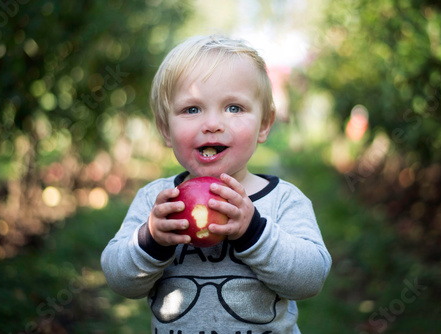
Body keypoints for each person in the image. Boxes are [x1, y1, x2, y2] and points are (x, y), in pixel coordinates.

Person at [101, 34, 331, 333]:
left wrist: (253, 232)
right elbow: (120, 281)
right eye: (192, 109)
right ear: (165, 129)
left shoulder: (284, 200)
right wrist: (152, 239)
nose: (212, 124)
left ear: (264, 124)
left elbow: (310, 280)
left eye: (234, 108)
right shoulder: (158, 202)